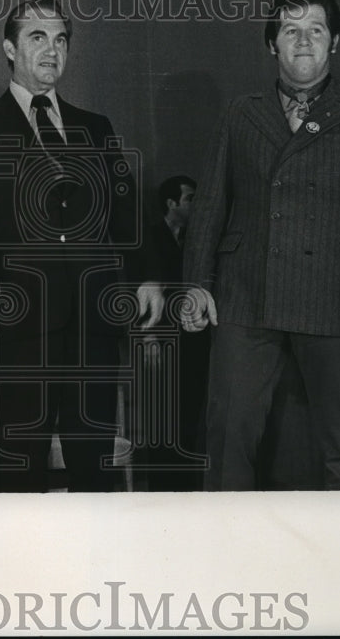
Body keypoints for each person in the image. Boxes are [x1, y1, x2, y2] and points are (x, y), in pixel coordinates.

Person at [181, 0, 340, 491]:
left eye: (316, 29)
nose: (304, 40)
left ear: (335, 42)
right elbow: (209, 205)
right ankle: (222, 559)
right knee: (226, 441)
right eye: (290, 30)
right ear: (272, 45)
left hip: (334, 296)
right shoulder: (239, 113)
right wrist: (197, 282)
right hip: (244, 296)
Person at [0, 0, 163, 492]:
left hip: (91, 325)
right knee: (15, 475)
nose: (52, 49)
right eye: (37, 37)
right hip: (17, 322)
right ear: (9, 48)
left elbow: (129, 215)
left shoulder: (95, 127)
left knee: (95, 473)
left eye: (61, 39)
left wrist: (147, 275)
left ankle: (97, 571)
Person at [140, 176, 210, 491]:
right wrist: (149, 336)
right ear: (171, 203)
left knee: (191, 411)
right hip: (161, 340)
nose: (196, 205)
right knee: (161, 411)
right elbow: (140, 288)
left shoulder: (197, 240)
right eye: (190, 198)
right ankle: (162, 487)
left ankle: (186, 485)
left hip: (193, 341)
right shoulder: (150, 238)